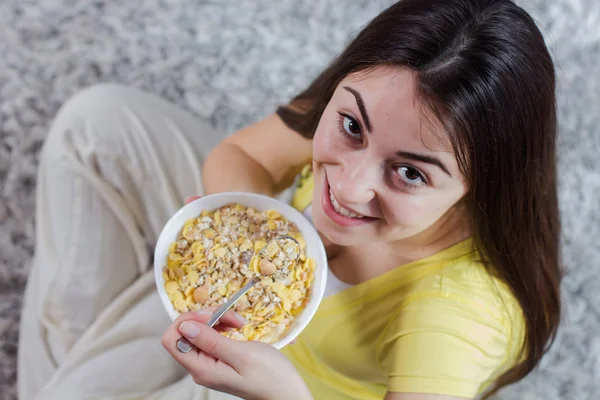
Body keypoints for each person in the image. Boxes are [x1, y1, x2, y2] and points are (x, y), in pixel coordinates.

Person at [17, 0, 562, 399]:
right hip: (237, 287)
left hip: (274, 384)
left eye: (409, 174)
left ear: (482, 187)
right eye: (351, 126)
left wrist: (283, 397)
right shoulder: (390, 96)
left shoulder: (456, 318)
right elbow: (240, 154)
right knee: (95, 124)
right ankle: (78, 342)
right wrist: (245, 237)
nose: (345, 189)